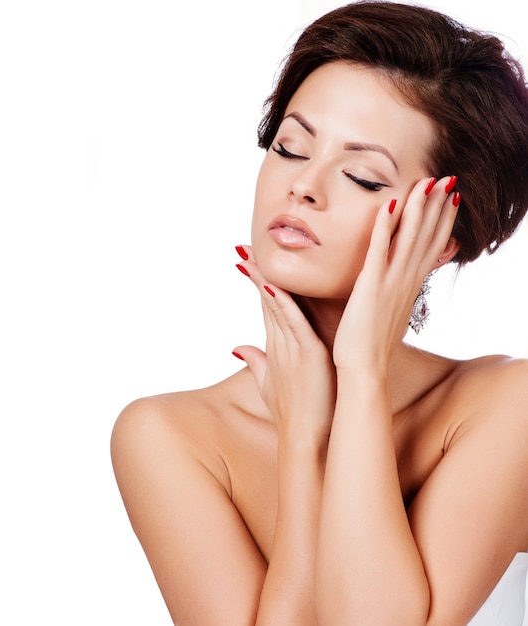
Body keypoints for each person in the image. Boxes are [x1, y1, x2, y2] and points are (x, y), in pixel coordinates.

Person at [111, 2, 528, 624]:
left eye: (362, 177)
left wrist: (359, 374)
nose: (303, 185)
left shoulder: (507, 405)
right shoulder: (168, 437)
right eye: (290, 146)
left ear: (441, 237)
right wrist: (303, 444)